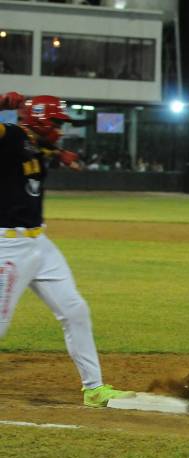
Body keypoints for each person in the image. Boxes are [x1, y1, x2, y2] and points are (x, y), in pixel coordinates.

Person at [0, 91, 135, 407]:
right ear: (40, 119)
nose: (61, 128)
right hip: (9, 247)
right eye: (57, 121)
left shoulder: (34, 141)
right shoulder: (11, 136)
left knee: (75, 310)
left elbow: (41, 147)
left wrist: (61, 155)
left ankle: (94, 389)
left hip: (40, 246)